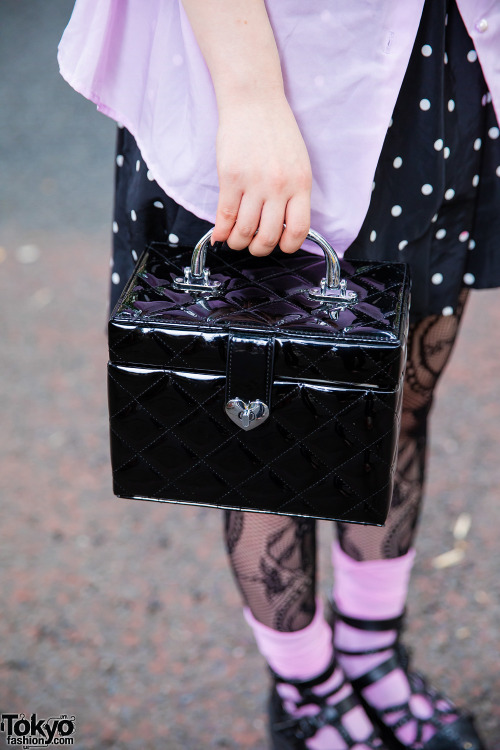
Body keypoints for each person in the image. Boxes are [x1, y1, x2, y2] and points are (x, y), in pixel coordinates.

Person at [59, 1, 500, 748]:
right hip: (273, 64)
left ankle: (369, 653)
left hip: (446, 57)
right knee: (268, 439)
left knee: (398, 406)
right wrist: (252, 98)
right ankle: (306, 690)